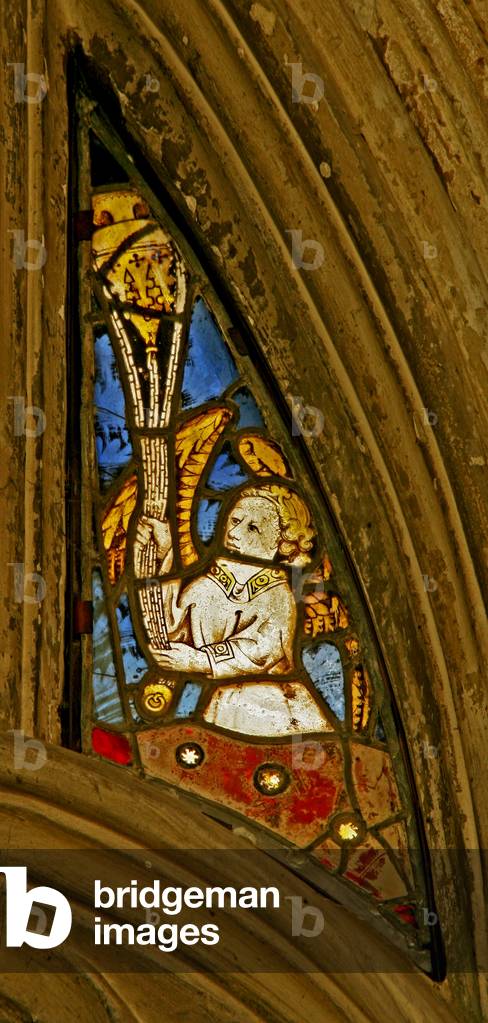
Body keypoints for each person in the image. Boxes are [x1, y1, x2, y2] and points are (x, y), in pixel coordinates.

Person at [135, 484, 332, 735]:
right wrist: (165, 553)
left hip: (272, 707)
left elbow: (261, 650)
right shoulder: (208, 582)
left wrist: (200, 660)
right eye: (235, 520)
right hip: (221, 701)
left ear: (281, 543)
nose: (235, 532)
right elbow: (169, 628)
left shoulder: (277, 595)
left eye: (252, 527)